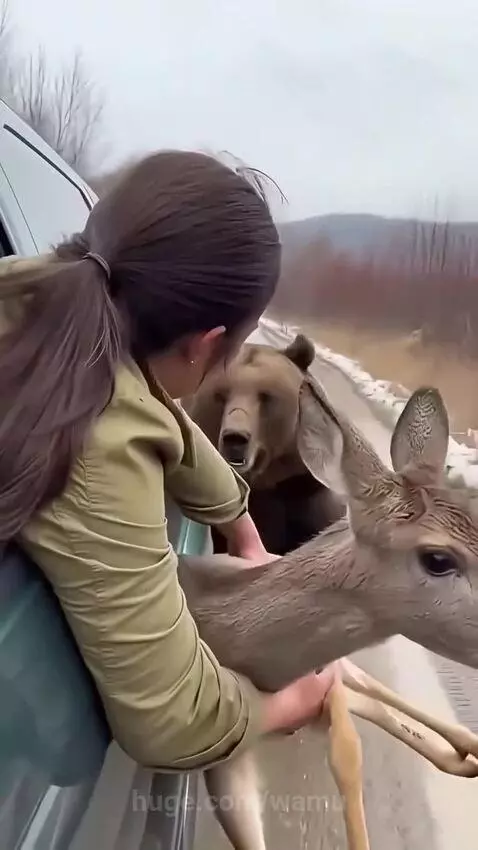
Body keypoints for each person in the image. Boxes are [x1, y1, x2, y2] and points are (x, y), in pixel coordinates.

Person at [0, 150, 334, 771]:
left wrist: (238, 523)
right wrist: (292, 703)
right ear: (205, 345)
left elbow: (147, 399)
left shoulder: (31, 297)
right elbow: (174, 721)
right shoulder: (96, 441)